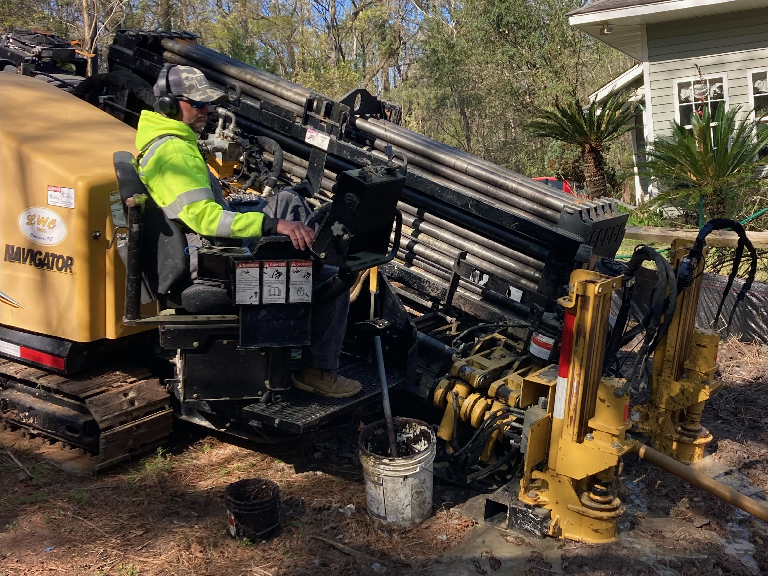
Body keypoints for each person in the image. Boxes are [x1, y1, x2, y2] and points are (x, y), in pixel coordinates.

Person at [134, 64, 361, 399]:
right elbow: (206, 220)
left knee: (288, 200)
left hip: (205, 244)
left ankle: (299, 307)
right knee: (332, 279)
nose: (206, 110)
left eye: (207, 103)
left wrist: (274, 216)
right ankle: (317, 368)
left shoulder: (171, 141)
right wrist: (272, 225)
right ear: (169, 105)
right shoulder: (174, 152)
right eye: (198, 104)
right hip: (209, 260)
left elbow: (208, 210)